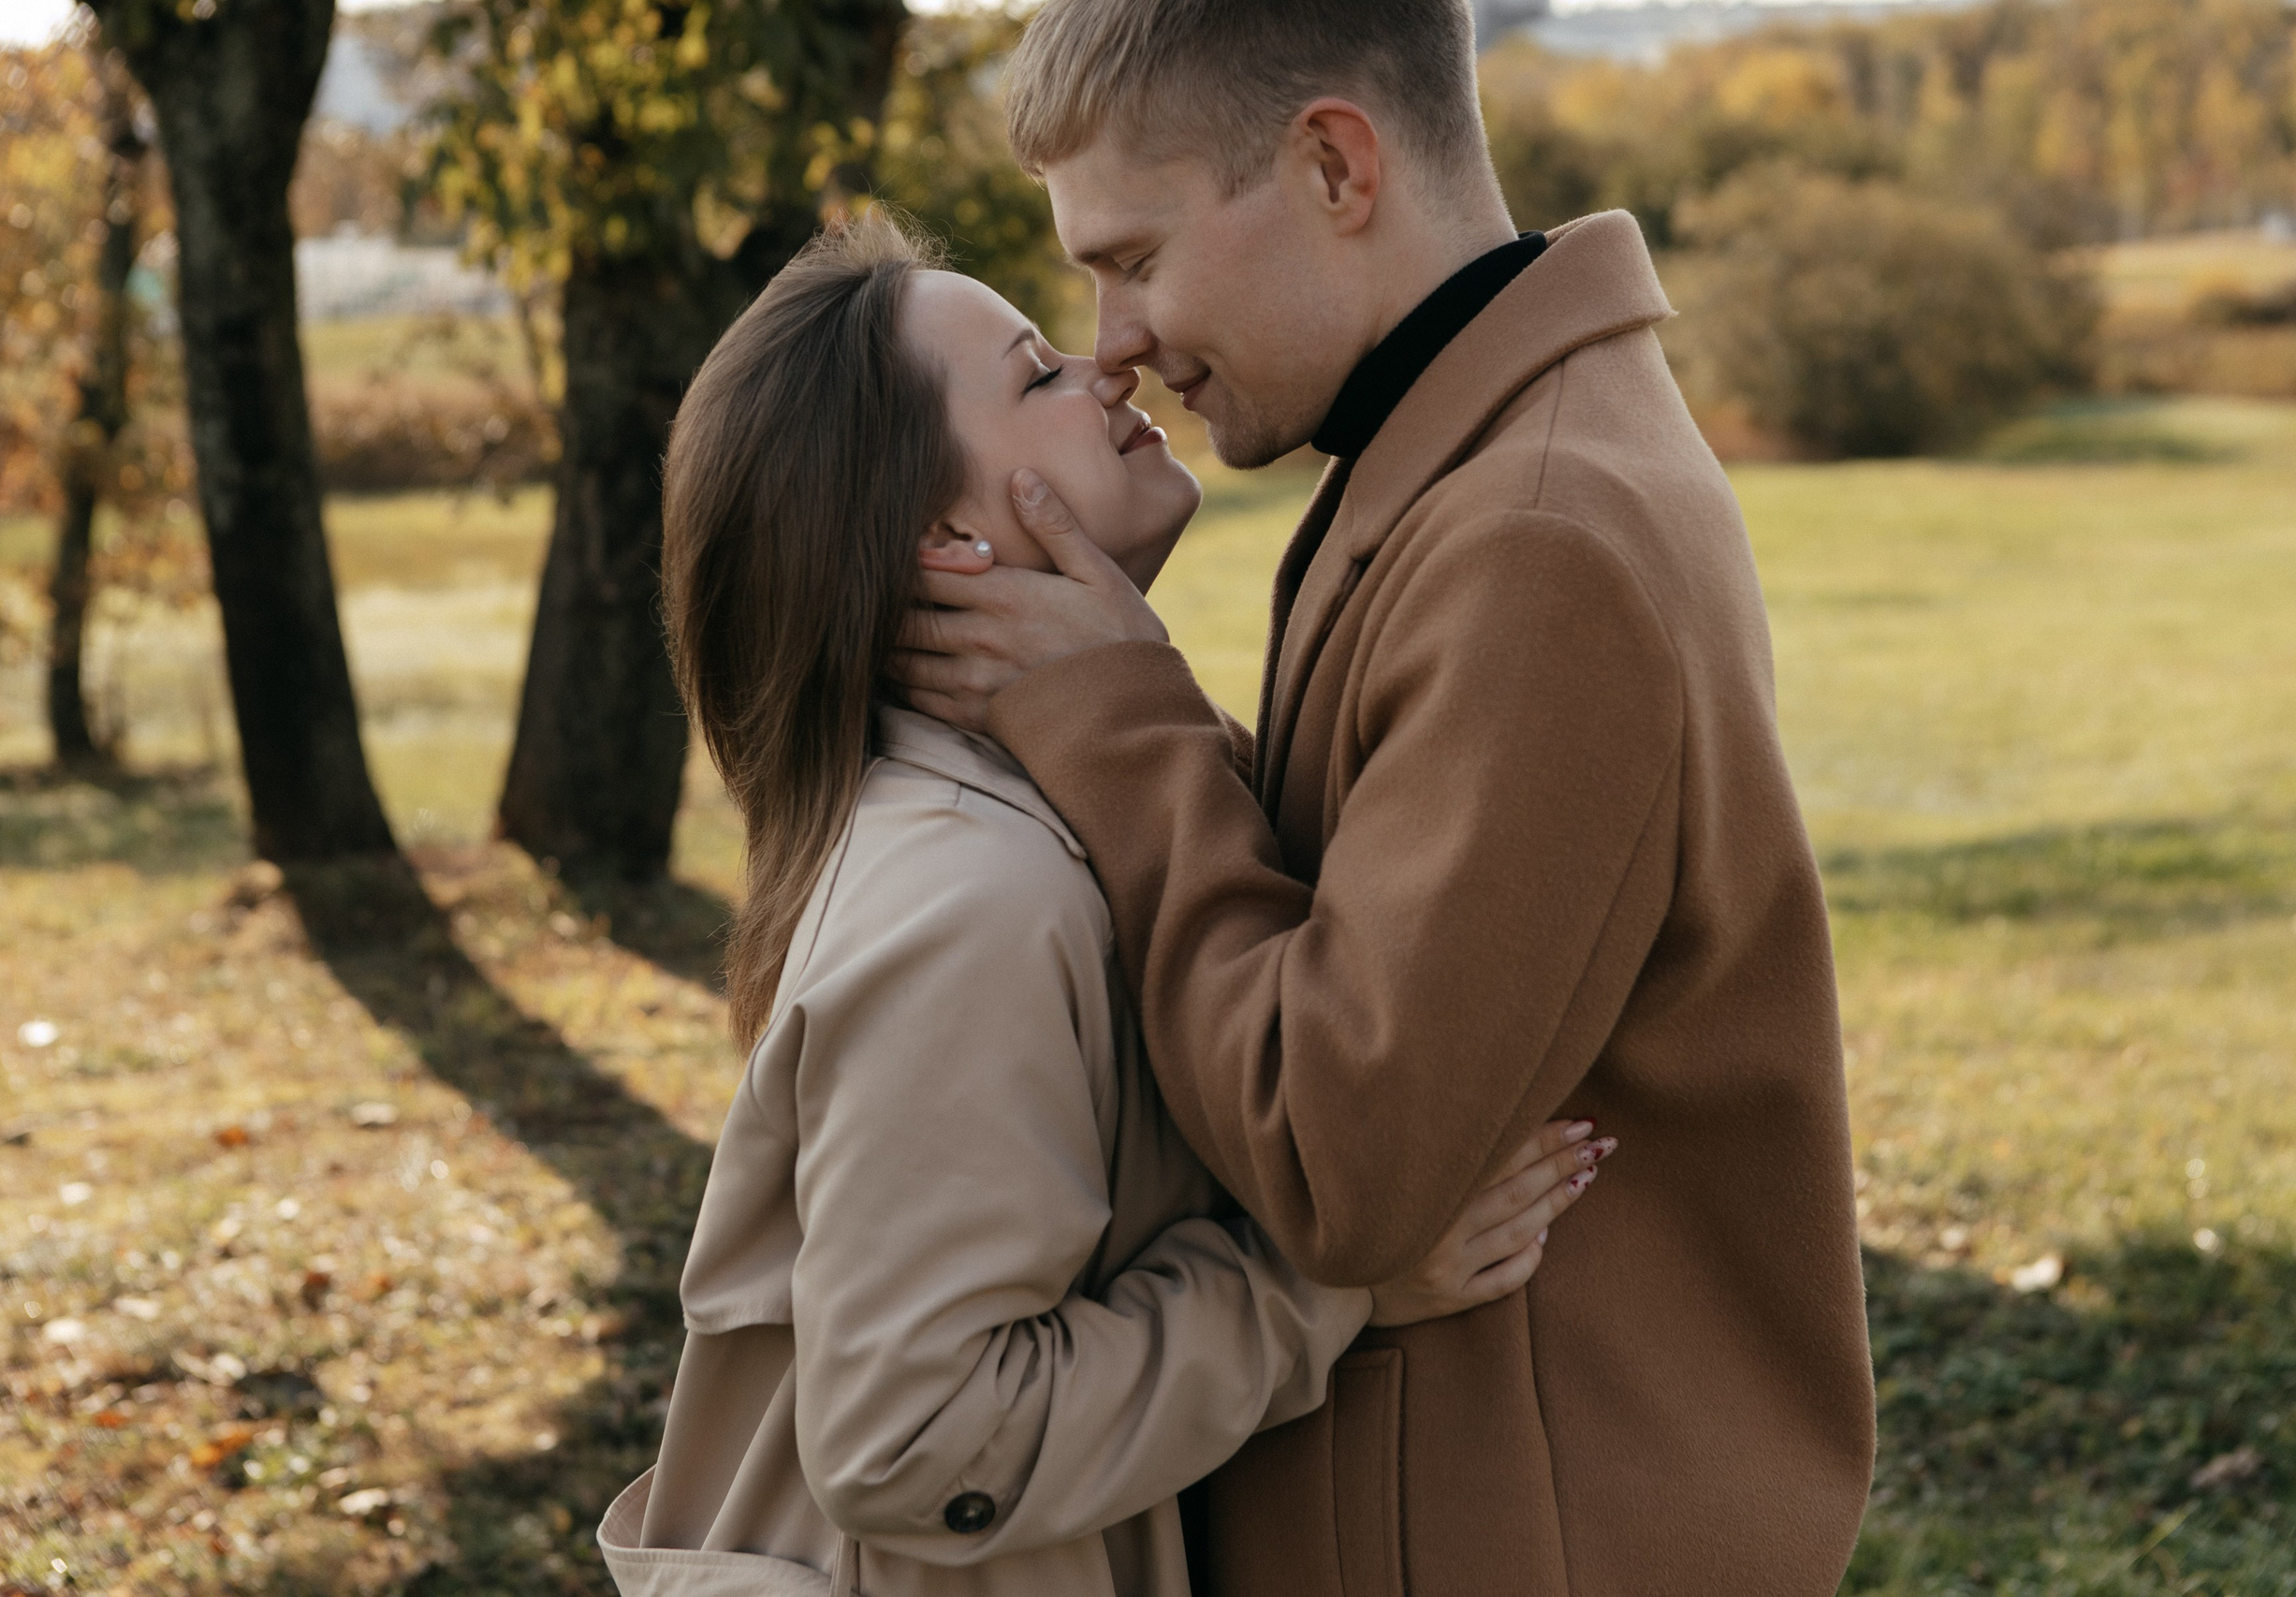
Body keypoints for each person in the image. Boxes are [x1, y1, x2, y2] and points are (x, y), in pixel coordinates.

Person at [891, 1, 1879, 1593]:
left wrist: (1121, 720)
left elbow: (1338, 1161)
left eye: (1132, 257)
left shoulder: (1538, 536)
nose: (1112, 337)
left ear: (1335, 164)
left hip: (1520, 1529)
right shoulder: (1462, 457)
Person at [595, 215, 1613, 1597]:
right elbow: (910, 1435)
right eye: (1035, 376)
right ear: (949, 537)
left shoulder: (1026, 821)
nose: (1109, 370)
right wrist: (1332, 1283)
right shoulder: (975, 901)